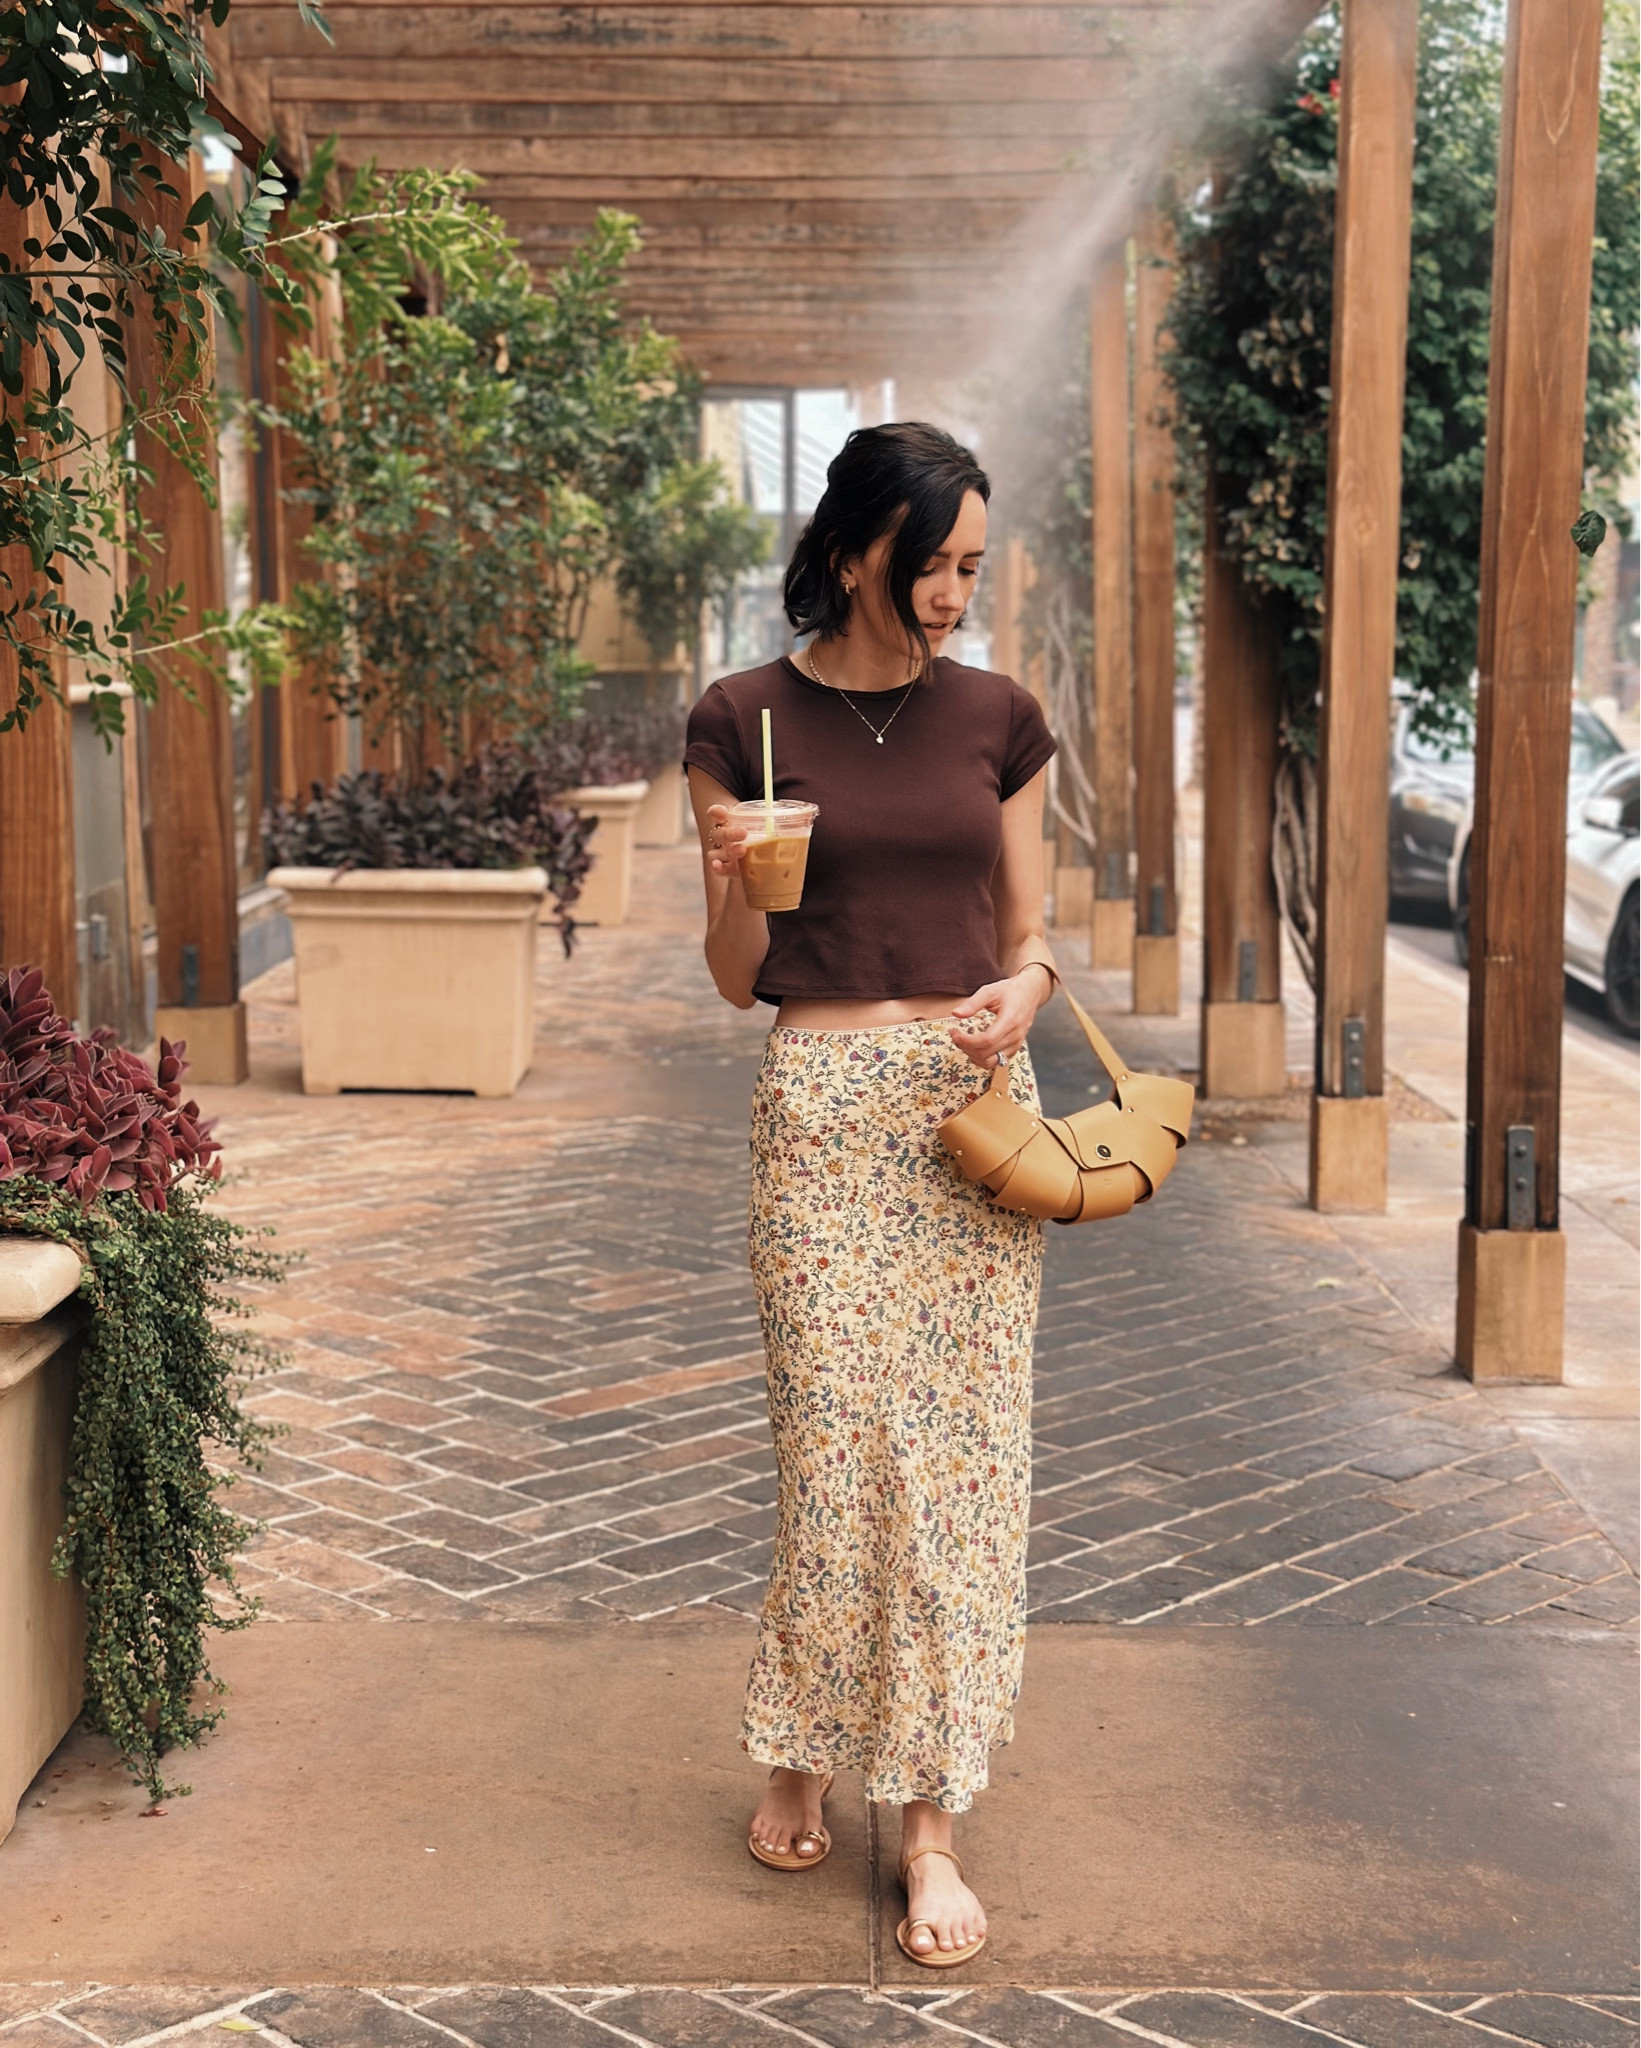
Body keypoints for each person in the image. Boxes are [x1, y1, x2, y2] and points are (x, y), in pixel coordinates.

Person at [684, 422, 1058, 1968]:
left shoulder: (1001, 719)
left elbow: (1032, 935)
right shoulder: (739, 720)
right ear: (854, 554)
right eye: (935, 565)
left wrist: (1022, 994)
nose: (957, 591)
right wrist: (741, 887)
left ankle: (928, 1820)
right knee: (836, 1450)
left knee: (959, 1466)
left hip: (971, 1111)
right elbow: (731, 985)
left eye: (974, 564)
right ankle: (798, 1741)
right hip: (822, 1111)